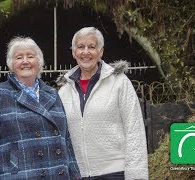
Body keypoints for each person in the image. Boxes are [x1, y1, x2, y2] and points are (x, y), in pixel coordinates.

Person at [0, 37, 81, 180]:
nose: (25, 61)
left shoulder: (53, 94)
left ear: (39, 62)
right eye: (19, 57)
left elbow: (66, 140)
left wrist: (75, 175)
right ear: (11, 64)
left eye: (30, 56)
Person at [57, 27, 148, 179]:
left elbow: (134, 131)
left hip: (115, 173)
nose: (86, 52)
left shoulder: (119, 82)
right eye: (80, 47)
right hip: (78, 174)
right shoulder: (64, 90)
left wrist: (136, 176)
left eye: (92, 47)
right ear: (73, 52)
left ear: (101, 52)